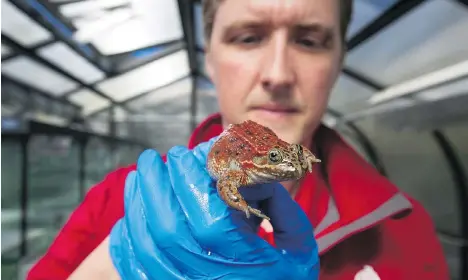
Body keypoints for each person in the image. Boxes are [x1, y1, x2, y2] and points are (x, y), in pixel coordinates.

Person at [27, 0, 450, 279]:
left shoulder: (401, 225)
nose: (278, 75)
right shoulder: (122, 197)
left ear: (338, 62)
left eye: (309, 41)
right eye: (248, 37)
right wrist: (110, 267)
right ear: (208, 59)